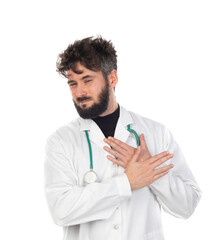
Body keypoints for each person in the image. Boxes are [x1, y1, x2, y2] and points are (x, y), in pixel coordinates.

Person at [44, 36, 201, 240]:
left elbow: (187, 206)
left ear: (112, 78)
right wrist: (126, 183)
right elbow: (60, 210)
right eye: (72, 84)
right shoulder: (61, 141)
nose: (79, 92)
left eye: (87, 81)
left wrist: (151, 170)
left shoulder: (155, 133)